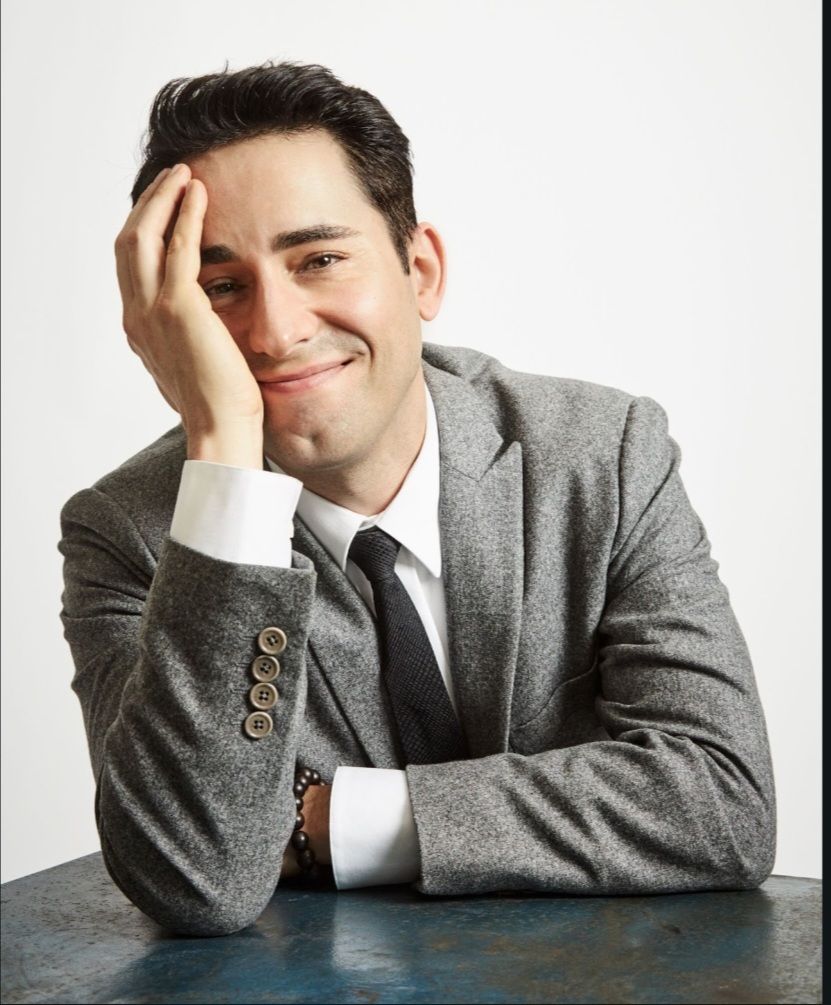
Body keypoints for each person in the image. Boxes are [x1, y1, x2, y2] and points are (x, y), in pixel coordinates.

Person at [59, 61, 776, 937]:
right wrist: (224, 444)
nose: (275, 331)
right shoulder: (130, 533)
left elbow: (721, 801)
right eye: (220, 287)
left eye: (319, 259)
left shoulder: (603, 454)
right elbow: (193, 877)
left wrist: (330, 819)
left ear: (420, 269)